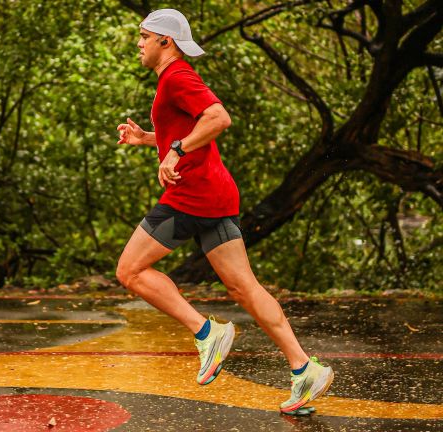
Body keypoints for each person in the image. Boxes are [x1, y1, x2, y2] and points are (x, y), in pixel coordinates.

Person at [115, 8, 334, 414]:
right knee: (243, 289)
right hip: (215, 194)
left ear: (166, 41)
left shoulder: (177, 76)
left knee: (130, 271)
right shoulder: (171, 81)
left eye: (144, 36)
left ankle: (206, 332)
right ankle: (305, 368)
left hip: (191, 196)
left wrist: (177, 150)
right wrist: (150, 139)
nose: (139, 43)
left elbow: (218, 117)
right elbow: (187, 130)